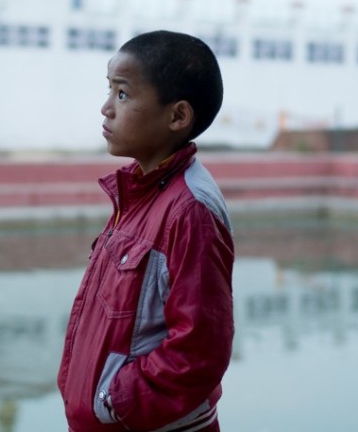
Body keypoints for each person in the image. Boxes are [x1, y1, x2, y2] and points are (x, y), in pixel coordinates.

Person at [58, 30, 234, 432]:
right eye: (110, 91)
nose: (106, 108)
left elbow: (198, 350)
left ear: (177, 116)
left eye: (122, 94)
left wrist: (113, 401)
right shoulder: (138, 193)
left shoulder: (190, 210)